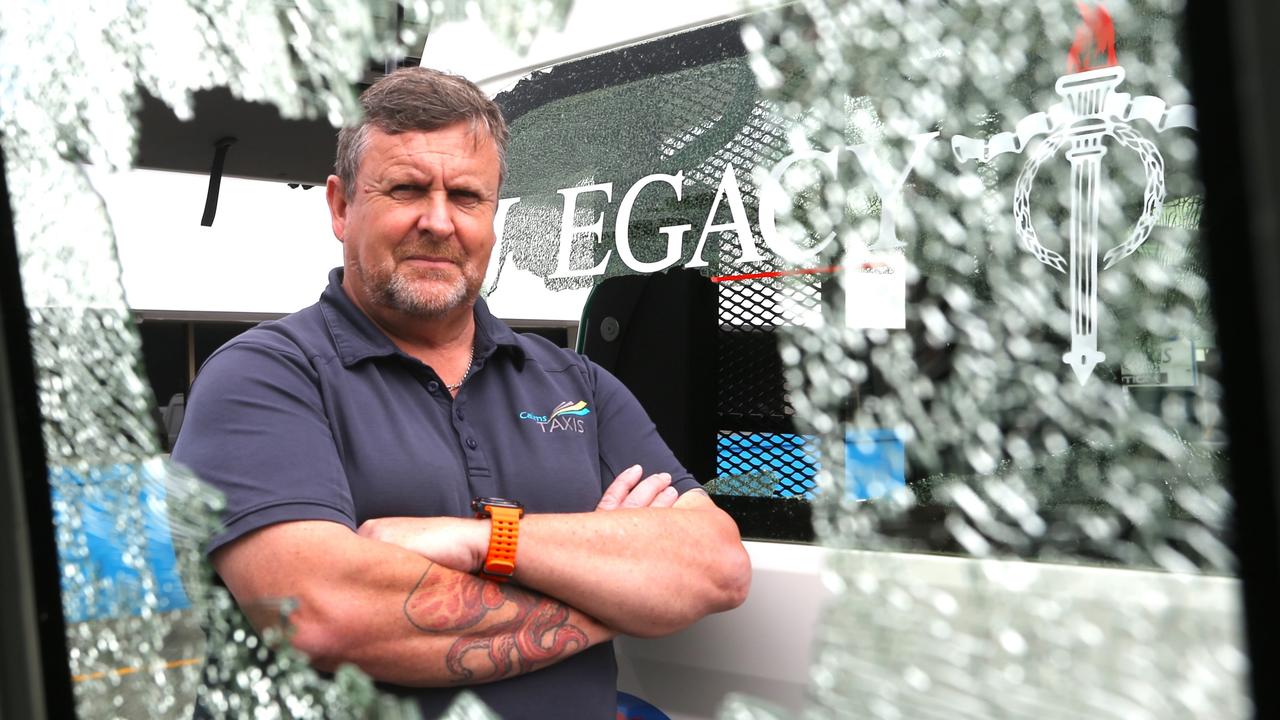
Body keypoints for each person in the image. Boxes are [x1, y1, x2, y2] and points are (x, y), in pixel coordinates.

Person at [171, 67, 751, 719]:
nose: (440, 222)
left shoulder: (576, 384)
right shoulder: (262, 376)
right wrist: (613, 587)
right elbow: (320, 613)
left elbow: (718, 566)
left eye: (468, 196)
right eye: (407, 189)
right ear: (340, 206)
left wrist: (484, 541)